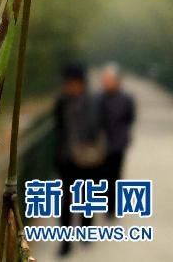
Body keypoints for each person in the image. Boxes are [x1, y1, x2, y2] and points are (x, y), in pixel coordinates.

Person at [54, 62, 105, 257]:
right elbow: (58, 131)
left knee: (87, 199)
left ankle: (86, 230)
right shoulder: (61, 102)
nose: (69, 86)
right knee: (65, 203)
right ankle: (65, 242)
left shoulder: (92, 102)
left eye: (72, 82)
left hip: (87, 160)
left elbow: (96, 128)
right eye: (67, 83)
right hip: (66, 160)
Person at [98, 64, 136, 218]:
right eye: (105, 80)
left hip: (118, 142)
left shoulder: (126, 99)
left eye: (110, 80)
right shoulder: (99, 99)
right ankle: (104, 202)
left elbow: (130, 118)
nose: (107, 83)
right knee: (102, 174)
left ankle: (112, 207)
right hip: (102, 143)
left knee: (115, 175)